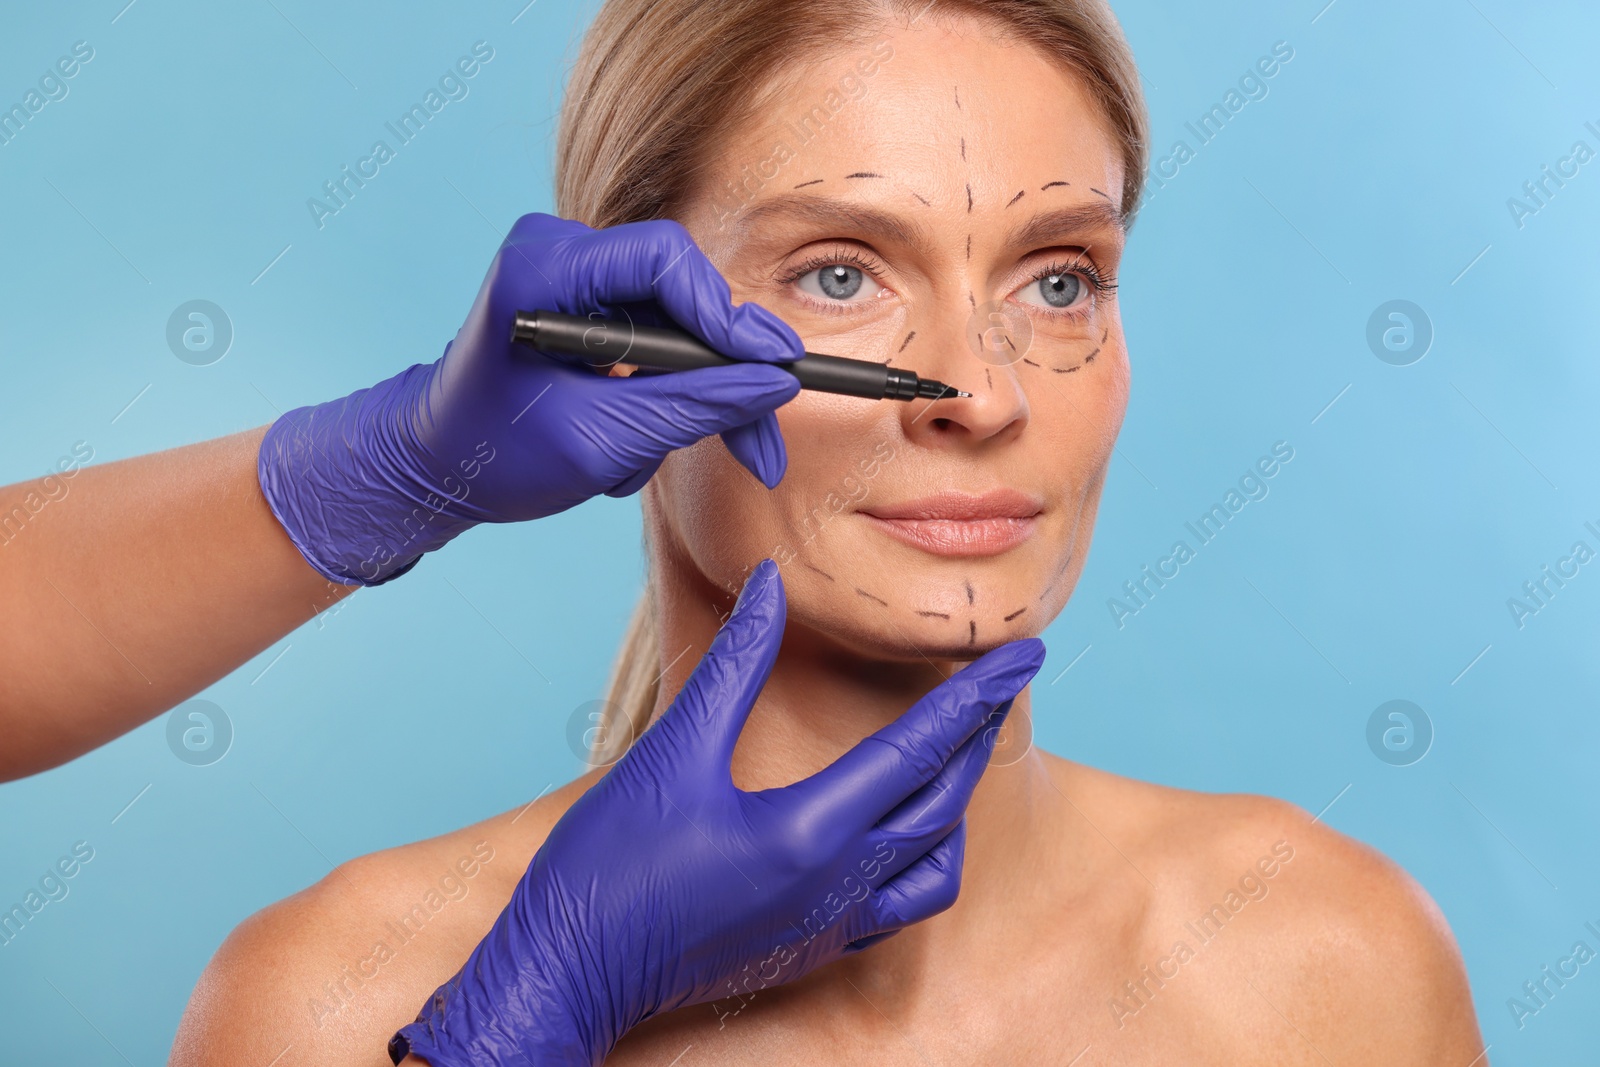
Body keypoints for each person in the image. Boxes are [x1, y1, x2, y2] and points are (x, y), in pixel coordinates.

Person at [173, 0, 1489, 1063]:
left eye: (1059, 278)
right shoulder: (330, 1009)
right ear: (618, 336)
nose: (984, 394)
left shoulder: (1328, 971)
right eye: (841, 274)